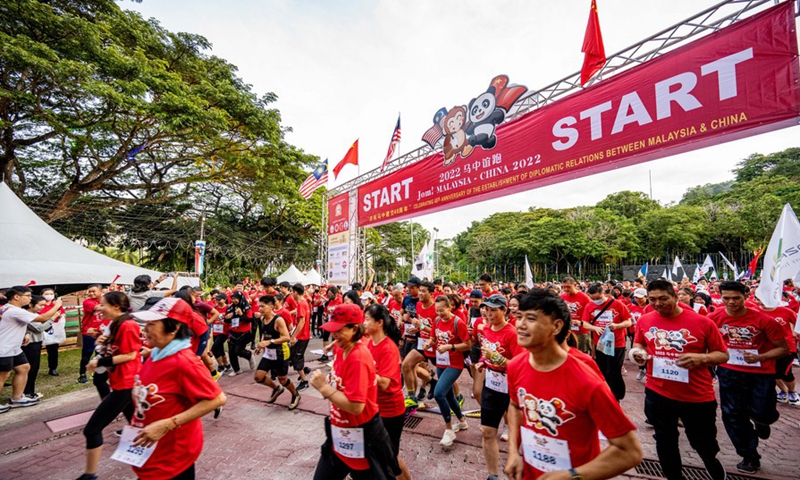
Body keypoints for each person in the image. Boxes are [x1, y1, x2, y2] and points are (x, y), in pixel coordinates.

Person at [505, 289, 643, 480]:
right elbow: (515, 406)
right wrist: (513, 452)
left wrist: (572, 476)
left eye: (531, 318)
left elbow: (629, 452)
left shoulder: (586, 381)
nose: (520, 325)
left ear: (556, 326)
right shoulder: (515, 366)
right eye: (519, 317)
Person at [631, 279, 729, 480]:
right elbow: (639, 343)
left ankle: (713, 466)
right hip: (658, 392)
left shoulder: (702, 322)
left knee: (703, 443)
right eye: (653, 300)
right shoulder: (645, 320)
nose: (658, 304)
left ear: (676, 297)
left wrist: (702, 358)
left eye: (663, 298)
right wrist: (637, 353)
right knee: (665, 442)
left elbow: (722, 354)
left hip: (696, 396)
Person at [127, 297, 226, 480]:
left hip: (173, 458)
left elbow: (217, 398)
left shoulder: (184, 363)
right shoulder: (155, 354)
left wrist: (167, 424)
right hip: (152, 451)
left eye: (152, 324)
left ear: (173, 329)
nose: (145, 328)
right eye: (146, 323)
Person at [309, 304, 400, 480]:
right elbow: (340, 383)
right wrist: (330, 383)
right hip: (339, 435)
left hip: (363, 438)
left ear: (354, 329)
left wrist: (324, 388)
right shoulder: (340, 348)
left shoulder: (358, 357)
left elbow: (356, 406)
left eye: (339, 330)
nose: (334, 335)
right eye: (332, 329)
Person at [709, 281, 787, 473]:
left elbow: (783, 348)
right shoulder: (714, 318)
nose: (731, 302)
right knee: (733, 415)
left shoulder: (763, 320)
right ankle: (749, 455)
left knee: (764, 412)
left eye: (736, 298)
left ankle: (762, 421)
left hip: (761, 373)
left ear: (746, 296)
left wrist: (761, 357)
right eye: (726, 298)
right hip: (729, 372)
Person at [76, 292, 142, 480]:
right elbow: (116, 348)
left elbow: (130, 355)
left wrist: (99, 362)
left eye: (103, 304)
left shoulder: (128, 325)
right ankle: (153, 464)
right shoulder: (116, 324)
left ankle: (90, 475)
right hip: (121, 381)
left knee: (92, 429)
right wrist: (101, 339)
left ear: (116, 306)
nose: (99, 308)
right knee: (137, 427)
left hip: (126, 384)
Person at [475, 294, 522, 480]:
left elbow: (520, 365)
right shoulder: (486, 329)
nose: (489, 313)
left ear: (504, 310)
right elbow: (486, 352)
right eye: (487, 309)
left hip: (511, 388)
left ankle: (516, 469)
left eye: (494, 309)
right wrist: (483, 362)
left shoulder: (512, 333)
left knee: (517, 434)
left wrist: (499, 360)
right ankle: (492, 474)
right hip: (492, 385)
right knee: (487, 431)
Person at [364, 304, 412, 480]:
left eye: (367, 319)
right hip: (374, 409)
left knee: (391, 458)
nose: (364, 323)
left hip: (391, 411)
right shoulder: (369, 344)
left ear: (379, 323)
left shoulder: (389, 348)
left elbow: (384, 382)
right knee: (377, 455)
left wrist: (364, 372)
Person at [0, 286, 62, 412]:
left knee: (23, 367)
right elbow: (42, 318)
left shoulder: (9, 308)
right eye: (27, 296)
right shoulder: (14, 310)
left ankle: (16, 398)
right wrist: (57, 306)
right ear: (17, 297)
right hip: (4, 348)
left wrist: (24, 334)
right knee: (3, 375)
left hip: (14, 347)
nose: (30, 298)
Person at [425, 295, 471, 448]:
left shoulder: (459, 323)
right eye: (437, 311)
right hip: (441, 362)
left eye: (442, 310)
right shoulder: (437, 321)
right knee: (449, 396)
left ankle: (449, 429)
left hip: (455, 364)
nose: (439, 314)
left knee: (439, 394)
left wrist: (450, 347)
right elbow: (433, 338)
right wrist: (428, 343)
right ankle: (462, 422)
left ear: (450, 307)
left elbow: (467, 344)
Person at [253, 295, 301, 410]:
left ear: (271, 307)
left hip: (281, 352)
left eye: (262, 307)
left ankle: (295, 395)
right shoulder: (262, 319)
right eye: (259, 306)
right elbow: (265, 334)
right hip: (269, 353)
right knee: (258, 377)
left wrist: (269, 342)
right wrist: (261, 344)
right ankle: (276, 389)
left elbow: (286, 337)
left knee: (283, 379)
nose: (259, 309)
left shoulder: (278, 320)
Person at [21, 295, 52, 400]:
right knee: (31, 368)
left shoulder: (34, 314)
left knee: (34, 368)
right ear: (30, 304)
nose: (42, 307)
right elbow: (39, 328)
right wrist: (53, 318)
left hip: (36, 343)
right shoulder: (28, 315)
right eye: (40, 305)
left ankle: (30, 391)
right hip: (30, 344)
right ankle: (27, 392)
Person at [225, 290, 255, 376]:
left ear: (240, 298)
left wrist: (241, 314)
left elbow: (250, 319)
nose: (234, 300)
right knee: (231, 351)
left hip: (243, 332)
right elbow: (226, 321)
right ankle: (236, 369)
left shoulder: (246, 307)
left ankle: (249, 355)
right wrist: (227, 317)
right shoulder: (230, 307)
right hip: (232, 331)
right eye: (233, 298)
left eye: (236, 298)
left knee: (238, 350)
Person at [560, 277, 592, 355]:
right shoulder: (562, 297)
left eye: (568, 287)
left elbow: (591, 313)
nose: (566, 289)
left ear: (575, 285)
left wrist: (581, 322)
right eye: (564, 287)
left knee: (581, 354)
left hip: (581, 331)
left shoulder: (584, 297)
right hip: (567, 331)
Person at [290, 283, 312, 390]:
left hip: (302, 336)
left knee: (296, 358)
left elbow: (301, 322)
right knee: (296, 356)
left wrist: (294, 336)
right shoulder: (304, 302)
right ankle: (305, 370)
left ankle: (304, 381)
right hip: (304, 335)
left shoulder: (301, 304)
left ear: (296, 292)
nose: (291, 294)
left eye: (292, 292)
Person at [79, 285, 103, 384]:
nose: (91, 293)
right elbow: (98, 308)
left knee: (100, 354)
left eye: (94, 291)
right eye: (90, 291)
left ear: (100, 291)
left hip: (101, 332)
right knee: (87, 354)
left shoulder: (104, 300)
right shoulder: (87, 302)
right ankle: (82, 374)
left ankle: (97, 373)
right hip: (88, 332)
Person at [41, 288, 66, 376]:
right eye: (46, 293)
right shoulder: (39, 305)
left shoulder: (57, 305)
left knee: (53, 350)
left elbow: (62, 315)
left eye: (51, 293)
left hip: (54, 328)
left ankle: (53, 368)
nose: (49, 295)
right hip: (41, 328)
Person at [209, 294, 231, 373]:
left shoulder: (228, 308)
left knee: (214, 348)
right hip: (216, 331)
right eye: (216, 299)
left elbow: (231, 320)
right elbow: (211, 318)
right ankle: (227, 365)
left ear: (225, 299)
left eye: (220, 299)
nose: (218, 301)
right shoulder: (214, 308)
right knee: (220, 349)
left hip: (224, 331)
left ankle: (220, 366)